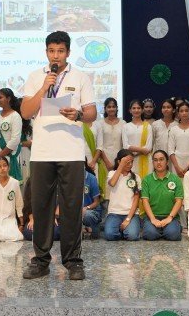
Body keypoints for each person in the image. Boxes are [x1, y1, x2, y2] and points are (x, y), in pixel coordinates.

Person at [20, 30, 97, 281]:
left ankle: (73, 261)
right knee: (41, 206)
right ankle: (41, 261)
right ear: (46, 52)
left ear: (68, 52)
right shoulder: (36, 77)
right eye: (52, 51)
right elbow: (25, 112)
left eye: (61, 51)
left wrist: (78, 115)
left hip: (71, 151)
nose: (56, 56)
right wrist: (44, 87)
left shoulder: (81, 77)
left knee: (71, 207)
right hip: (42, 152)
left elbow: (92, 113)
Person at [140, 150, 184, 241]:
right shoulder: (146, 180)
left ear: (167, 162)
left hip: (171, 217)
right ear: (153, 162)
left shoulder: (176, 179)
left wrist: (169, 218)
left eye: (161, 159)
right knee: (150, 234)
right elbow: (145, 201)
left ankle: (167, 229)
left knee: (173, 235)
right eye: (155, 160)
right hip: (152, 217)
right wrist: (153, 219)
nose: (158, 162)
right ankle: (159, 230)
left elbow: (179, 201)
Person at [103, 149, 142, 241]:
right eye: (127, 162)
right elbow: (112, 183)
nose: (130, 164)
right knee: (110, 235)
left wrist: (128, 219)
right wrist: (121, 165)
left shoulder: (136, 177)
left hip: (131, 214)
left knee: (132, 236)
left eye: (131, 162)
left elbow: (136, 200)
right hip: (114, 213)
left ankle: (126, 229)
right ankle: (121, 230)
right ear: (119, 161)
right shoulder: (112, 173)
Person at [0, 88, 23, 179]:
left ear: (8, 99)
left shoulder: (15, 116)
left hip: (7, 157)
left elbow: (15, 140)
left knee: (7, 184)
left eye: (0, 97)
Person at [94, 97, 124, 196]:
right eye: (109, 107)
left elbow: (124, 144)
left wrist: (120, 161)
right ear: (105, 109)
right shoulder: (100, 124)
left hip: (119, 160)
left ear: (117, 108)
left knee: (118, 184)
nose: (111, 109)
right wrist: (107, 162)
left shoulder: (123, 123)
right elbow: (99, 144)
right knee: (105, 186)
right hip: (104, 159)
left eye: (113, 106)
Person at [169, 101, 189, 177]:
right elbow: (170, 150)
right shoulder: (173, 129)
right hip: (177, 164)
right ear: (178, 114)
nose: (184, 113)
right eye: (181, 111)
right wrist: (177, 167)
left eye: (186, 111)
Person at [123, 100, 153, 180]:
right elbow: (125, 146)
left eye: (138, 108)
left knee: (145, 183)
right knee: (132, 183)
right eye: (134, 108)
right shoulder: (126, 126)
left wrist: (134, 152)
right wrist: (142, 150)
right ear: (130, 110)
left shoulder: (148, 126)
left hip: (146, 160)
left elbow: (148, 148)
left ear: (142, 110)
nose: (136, 110)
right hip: (130, 161)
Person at [81, 167, 103, 238]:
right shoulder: (70, 178)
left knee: (88, 215)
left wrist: (86, 208)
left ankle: (94, 228)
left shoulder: (91, 178)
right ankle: (84, 229)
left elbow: (96, 202)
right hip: (75, 212)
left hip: (91, 210)